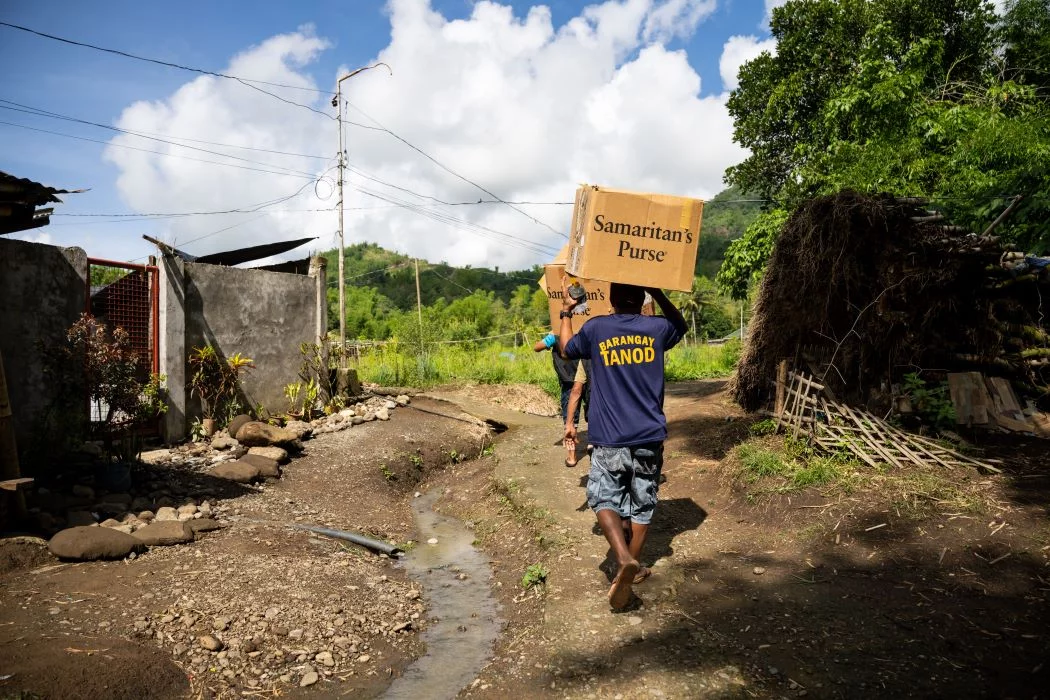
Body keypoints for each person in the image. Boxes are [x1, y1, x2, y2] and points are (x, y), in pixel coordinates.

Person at [559, 278, 687, 609]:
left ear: (613, 297)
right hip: (649, 435)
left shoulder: (597, 328)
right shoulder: (657, 328)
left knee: (603, 497)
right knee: (642, 503)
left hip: (609, 436)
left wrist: (566, 311)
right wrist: (658, 289)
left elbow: (565, 348)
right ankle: (631, 567)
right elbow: (680, 325)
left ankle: (621, 558)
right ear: (641, 297)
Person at [533, 330, 589, 454]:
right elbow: (536, 348)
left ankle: (574, 454)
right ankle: (585, 450)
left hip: (572, 380)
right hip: (583, 379)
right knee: (587, 415)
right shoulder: (585, 331)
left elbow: (537, 347)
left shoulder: (557, 334)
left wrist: (551, 337)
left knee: (571, 419)